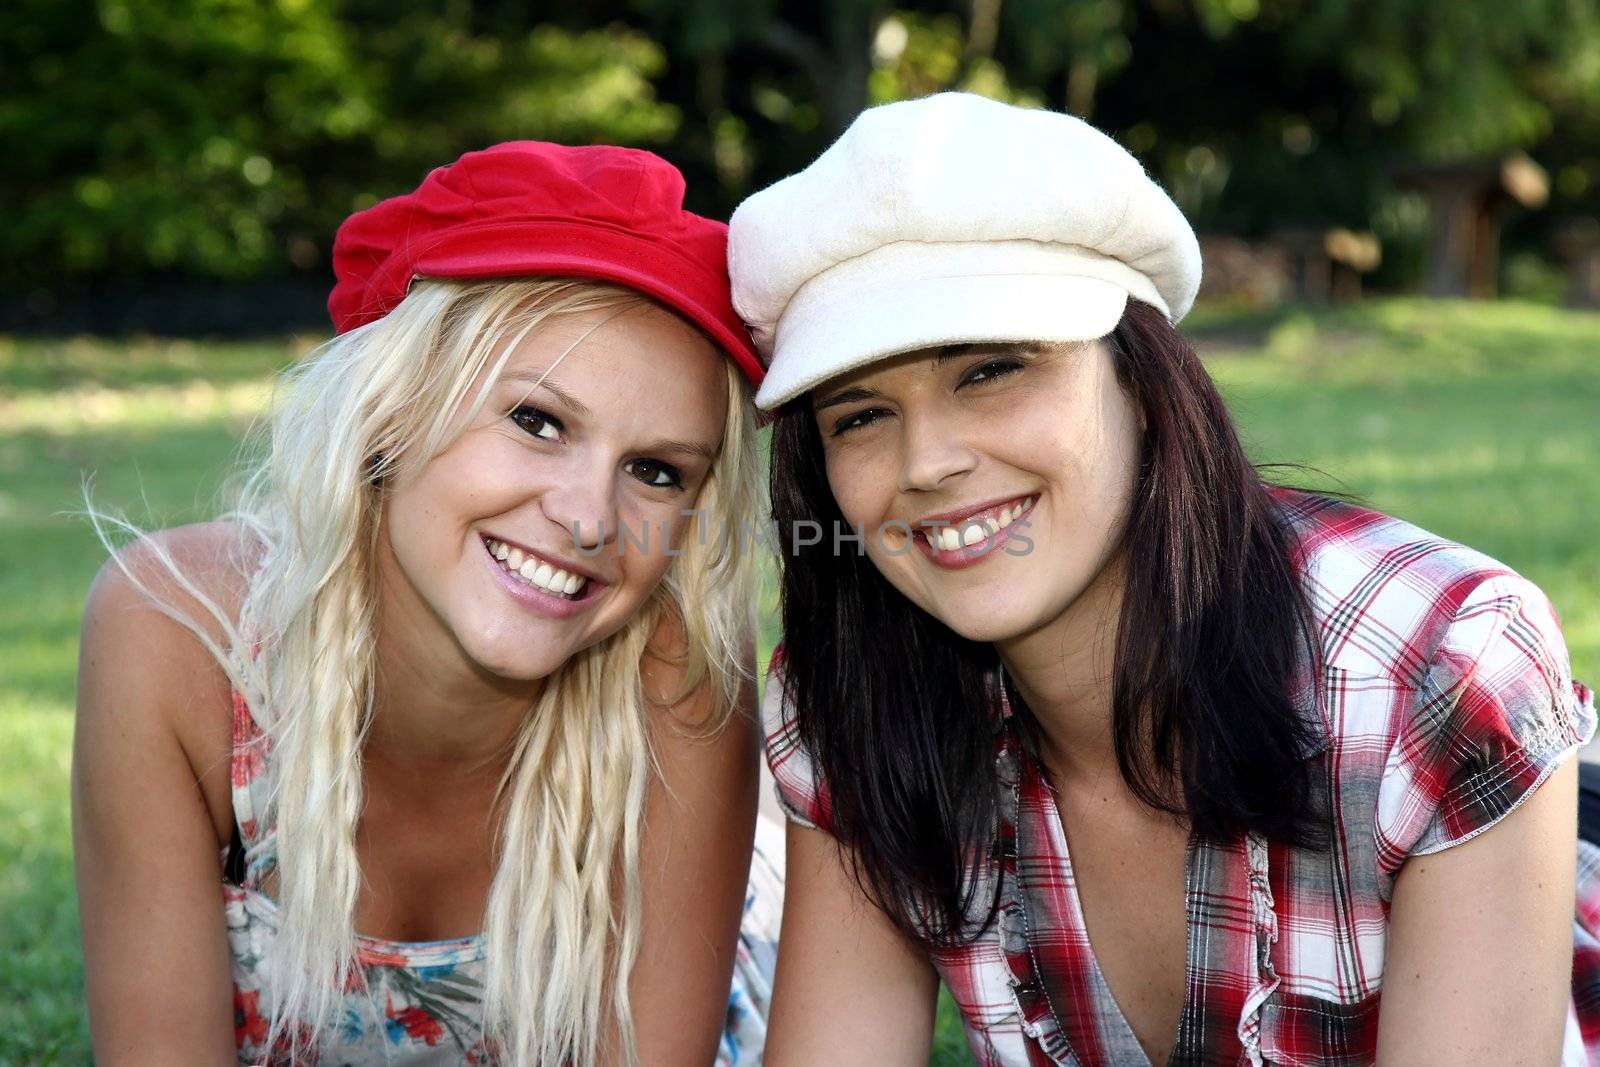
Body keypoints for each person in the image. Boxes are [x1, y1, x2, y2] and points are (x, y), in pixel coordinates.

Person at [732, 92, 1600, 1065]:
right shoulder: (851, 707)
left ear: (1143, 383)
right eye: (859, 415)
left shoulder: (1441, 663)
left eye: (989, 370)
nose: (926, 459)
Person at [74, 141, 780, 1066]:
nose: (588, 516)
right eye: (538, 420)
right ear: (390, 413)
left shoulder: (675, 689)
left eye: (656, 470)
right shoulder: (176, 640)